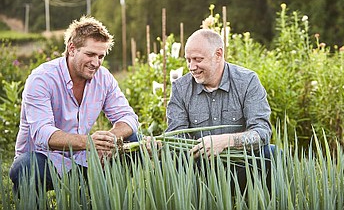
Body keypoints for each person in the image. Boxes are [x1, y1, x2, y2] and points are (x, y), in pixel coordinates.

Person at [9, 16, 139, 192]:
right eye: (90, 54)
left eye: (101, 56)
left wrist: (109, 139)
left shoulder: (104, 77)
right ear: (72, 49)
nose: (96, 63)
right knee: (25, 167)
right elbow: (42, 133)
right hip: (45, 160)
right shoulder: (42, 79)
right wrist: (90, 143)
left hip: (84, 160)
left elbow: (128, 117)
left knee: (133, 141)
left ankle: (103, 200)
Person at [166, 28, 275, 190]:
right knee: (171, 160)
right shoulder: (181, 88)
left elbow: (262, 132)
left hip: (240, 163)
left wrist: (225, 141)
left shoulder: (247, 81)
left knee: (271, 154)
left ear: (218, 55)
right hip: (200, 167)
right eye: (188, 60)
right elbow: (177, 138)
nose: (191, 66)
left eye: (197, 59)